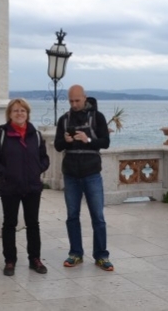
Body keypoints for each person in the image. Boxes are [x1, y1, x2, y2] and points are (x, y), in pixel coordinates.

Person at [0, 98, 50, 276]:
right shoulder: (0, 136)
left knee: (33, 224)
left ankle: (35, 259)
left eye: (23, 110)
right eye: (16, 110)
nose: (19, 113)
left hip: (32, 187)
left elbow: (44, 158)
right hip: (10, 187)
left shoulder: (36, 135)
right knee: (9, 224)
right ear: (9, 114)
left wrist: (37, 169)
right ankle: (10, 261)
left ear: (27, 114)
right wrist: (6, 173)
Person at [54, 85, 113, 271]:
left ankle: (101, 255)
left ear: (85, 98)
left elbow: (105, 142)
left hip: (92, 174)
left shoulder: (97, 117)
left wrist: (87, 139)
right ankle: (75, 253)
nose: (74, 104)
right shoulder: (64, 119)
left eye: (77, 100)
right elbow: (57, 145)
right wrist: (66, 141)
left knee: (98, 217)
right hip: (71, 175)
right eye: (71, 101)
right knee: (72, 216)